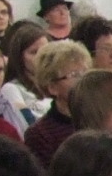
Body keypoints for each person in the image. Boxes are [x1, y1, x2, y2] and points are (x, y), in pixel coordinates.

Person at [22, 39, 90, 169]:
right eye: (75, 74)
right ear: (52, 87)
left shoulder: (101, 118)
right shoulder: (40, 134)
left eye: (85, 72)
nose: (84, 79)